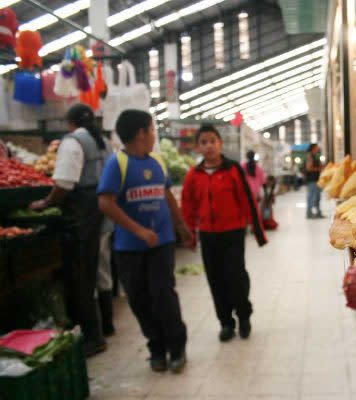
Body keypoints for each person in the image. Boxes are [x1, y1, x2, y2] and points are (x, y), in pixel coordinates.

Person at [97, 110, 191, 373]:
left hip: (161, 243)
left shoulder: (158, 162)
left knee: (163, 296)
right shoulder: (118, 164)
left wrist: (181, 226)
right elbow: (105, 202)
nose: (154, 135)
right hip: (129, 248)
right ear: (141, 133)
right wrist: (138, 230)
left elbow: (168, 197)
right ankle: (157, 349)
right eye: (152, 129)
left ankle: (178, 348)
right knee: (139, 300)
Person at [29, 103, 110, 357]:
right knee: (96, 272)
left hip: (81, 216)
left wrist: (46, 203)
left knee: (80, 278)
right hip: (99, 213)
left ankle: (92, 337)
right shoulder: (101, 141)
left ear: (70, 122)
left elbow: (64, 182)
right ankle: (103, 327)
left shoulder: (72, 142)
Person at [181, 125, 267, 343]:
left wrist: (258, 232)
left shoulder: (233, 170)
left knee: (236, 277)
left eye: (212, 140)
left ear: (220, 143)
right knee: (215, 280)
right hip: (208, 236)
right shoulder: (194, 175)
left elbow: (248, 200)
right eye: (203, 142)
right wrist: (189, 235)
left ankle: (244, 316)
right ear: (198, 148)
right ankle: (226, 322)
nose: (208, 145)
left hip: (233, 233)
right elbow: (188, 207)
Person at [305, 143, 325, 219]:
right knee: (312, 197)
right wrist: (319, 169)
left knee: (317, 197)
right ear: (313, 148)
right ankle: (309, 213)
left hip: (316, 179)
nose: (318, 148)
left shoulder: (315, 156)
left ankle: (318, 212)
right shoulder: (310, 156)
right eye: (317, 147)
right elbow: (309, 168)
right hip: (312, 180)